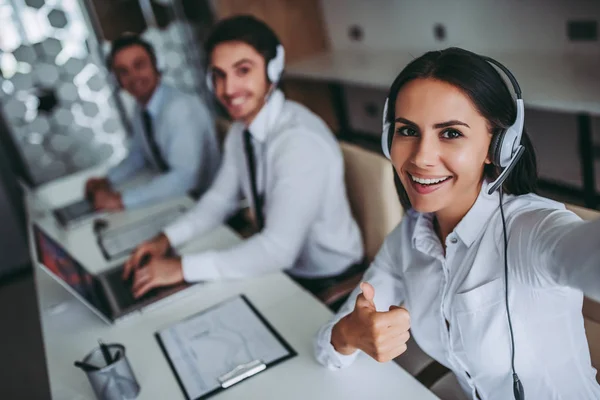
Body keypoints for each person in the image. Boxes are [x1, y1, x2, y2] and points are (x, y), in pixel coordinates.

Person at [314, 47, 600, 400]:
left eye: (450, 133)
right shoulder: (409, 237)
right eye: (407, 130)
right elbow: (327, 348)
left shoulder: (532, 230)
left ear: (498, 147)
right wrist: (348, 334)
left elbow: (584, 252)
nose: (420, 158)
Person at [122, 15, 364, 299]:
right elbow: (218, 202)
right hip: (283, 269)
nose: (228, 89)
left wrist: (182, 268)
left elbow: (278, 250)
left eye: (243, 70)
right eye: (219, 75)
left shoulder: (298, 143)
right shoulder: (242, 132)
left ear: (272, 71)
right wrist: (165, 239)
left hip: (327, 282)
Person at [85, 34, 220, 211]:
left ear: (156, 65)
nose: (133, 77)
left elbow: (185, 177)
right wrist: (108, 179)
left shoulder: (179, 108)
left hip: (207, 205)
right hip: (180, 200)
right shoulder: (141, 108)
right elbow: (139, 156)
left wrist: (122, 200)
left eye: (139, 65)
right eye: (123, 72)